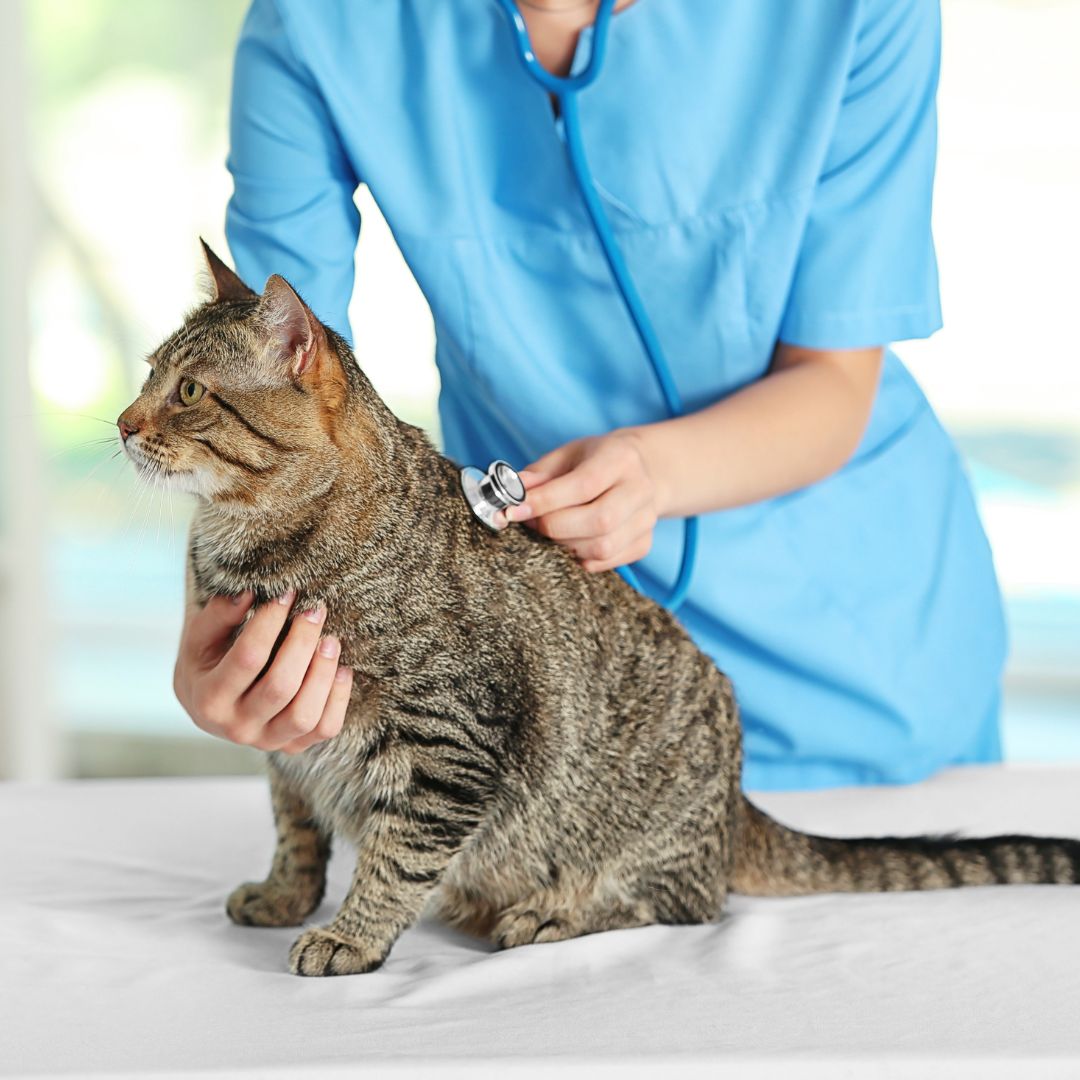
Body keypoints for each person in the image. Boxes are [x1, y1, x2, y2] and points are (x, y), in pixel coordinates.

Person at [173, 0, 1006, 790]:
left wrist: (653, 470)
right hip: (538, 680)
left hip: (864, 660)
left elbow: (834, 377)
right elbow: (262, 384)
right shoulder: (321, 24)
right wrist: (223, 631)